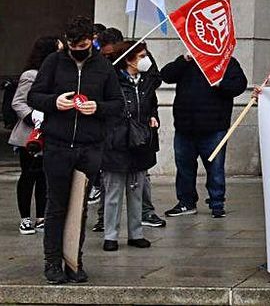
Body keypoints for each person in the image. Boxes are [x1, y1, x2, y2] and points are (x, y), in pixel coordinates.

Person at [27, 16, 123, 284]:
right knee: (56, 206)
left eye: (81, 43)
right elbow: (33, 96)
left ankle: (74, 260)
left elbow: (117, 104)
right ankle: (52, 262)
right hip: (58, 146)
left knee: (78, 208)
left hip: (89, 147)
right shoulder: (53, 63)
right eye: (72, 43)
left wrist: (98, 108)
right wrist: (54, 102)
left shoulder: (103, 67)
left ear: (90, 41)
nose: (76, 48)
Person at [160, 52, 248, 219]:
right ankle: (186, 202)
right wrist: (183, 60)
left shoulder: (226, 62)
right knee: (184, 167)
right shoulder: (188, 62)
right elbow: (166, 75)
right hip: (185, 126)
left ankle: (217, 203)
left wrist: (221, 84)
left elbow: (239, 85)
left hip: (214, 127)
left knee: (215, 168)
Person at [99, 41, 158, 252]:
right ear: (128, 59)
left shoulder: (145, 82)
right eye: (141, 56)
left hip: (139, 142)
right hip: (116, 142)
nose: (145, 59)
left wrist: (152, 116)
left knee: (136, 190)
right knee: (113, 192)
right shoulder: (112, 81)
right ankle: (110, 235)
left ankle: (136, 233)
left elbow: (152, 102)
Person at [9, 36, 59, 234]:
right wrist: (32, 116)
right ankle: (24, 218)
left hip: (49, 132)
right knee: (28, 176)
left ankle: (40, 216)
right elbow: (18, 102)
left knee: (44, 177)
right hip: (30, 134)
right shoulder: (31, 75)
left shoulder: (56, 73)